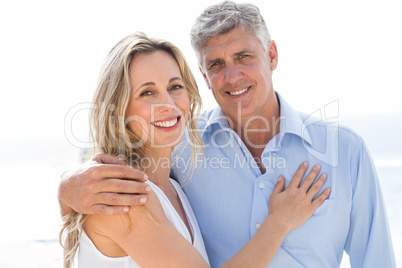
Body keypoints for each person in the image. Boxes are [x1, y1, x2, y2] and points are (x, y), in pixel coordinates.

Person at [59, 1, 396, 267]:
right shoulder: (180, 148)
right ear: (204, 77)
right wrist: (66, 189)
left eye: (243, 56)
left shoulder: (345, 151)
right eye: (216, 65)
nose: (232, 76)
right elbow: (110, 164)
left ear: (272, 55)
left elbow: (377, 260)